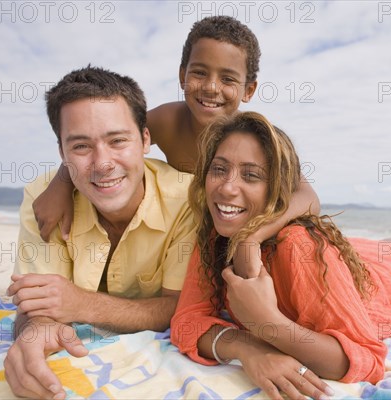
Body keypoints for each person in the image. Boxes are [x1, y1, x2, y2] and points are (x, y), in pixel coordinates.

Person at [31, 16, 320, 279]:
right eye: (200, 73)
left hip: (240, 234)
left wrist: (254, 236)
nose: (211, 87)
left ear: (249, 90)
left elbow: (308, 198)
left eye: (228, 79)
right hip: (191, 238)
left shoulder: (252, 139)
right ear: (182, 75)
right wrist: (61, 183)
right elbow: (103, 139)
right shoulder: (168, 121)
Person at [171, 112, 391, 400]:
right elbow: (187, 320)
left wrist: (268, 323)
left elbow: (368, 359)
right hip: (346, 259)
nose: (227, 187)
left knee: (388, 258)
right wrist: (247, 348)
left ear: (276, 191)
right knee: (358, 250)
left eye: (251, 175)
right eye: (219, 170)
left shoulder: (300, 246)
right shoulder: (216, 233)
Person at [4, 66, 196, 400]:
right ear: (62, 154)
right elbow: (39, 306)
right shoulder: (42, 198)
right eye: (81, 147)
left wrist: (80, 305)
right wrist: (37, 329)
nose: (103, 162)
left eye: (118, 140)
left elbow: (179, 307)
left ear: (145, 139)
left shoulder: (189, 201)